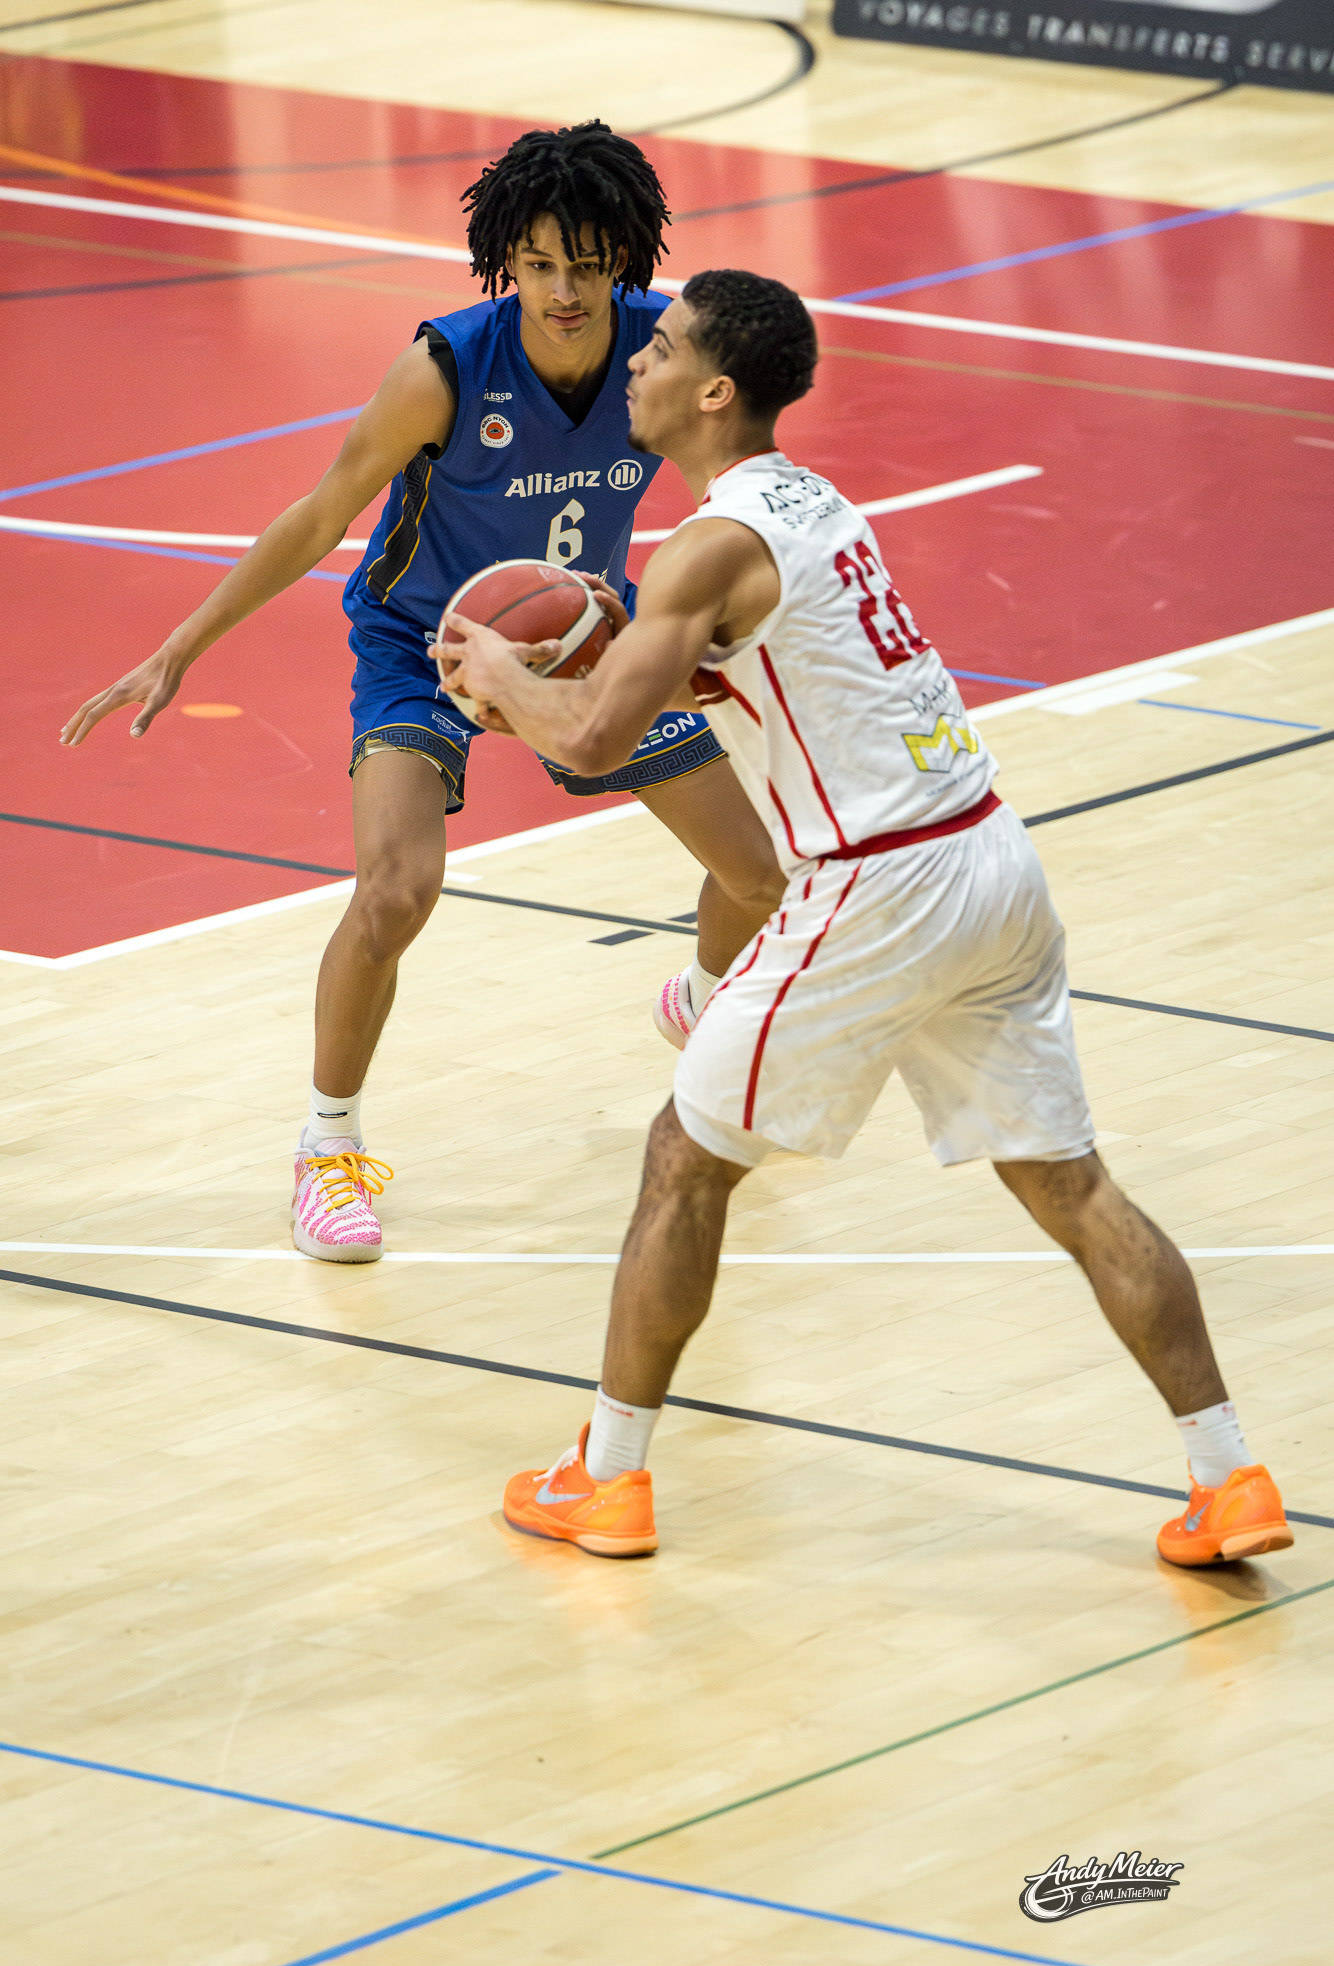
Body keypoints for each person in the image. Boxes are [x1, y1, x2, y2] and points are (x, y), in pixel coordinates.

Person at [437, 267, 1294, 1572]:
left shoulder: (705, 547)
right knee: (1069, 1184)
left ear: (714, 391)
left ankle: (604, 1481)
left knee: (682, 1160)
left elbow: (597, 740)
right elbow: (748, 674)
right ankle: (1229, 1477)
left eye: (663, 348)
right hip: (990, 859)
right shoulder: (811, 504)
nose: (639, 361)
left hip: (881, 885)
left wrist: (507, 675)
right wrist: (621, 666)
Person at [60, 124, 784, 1264]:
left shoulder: (665, 354)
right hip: (427, 646)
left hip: (584, 639)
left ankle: (700, 1003)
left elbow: (741, 485)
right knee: (396, 892)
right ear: (507, 262)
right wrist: (182, 645)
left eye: (587, 265)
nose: (563, 291)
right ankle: (327, 1147)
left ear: (625, 258)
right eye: (538, 265)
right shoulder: (445, 370)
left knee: (763, 874)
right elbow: (320, 513)